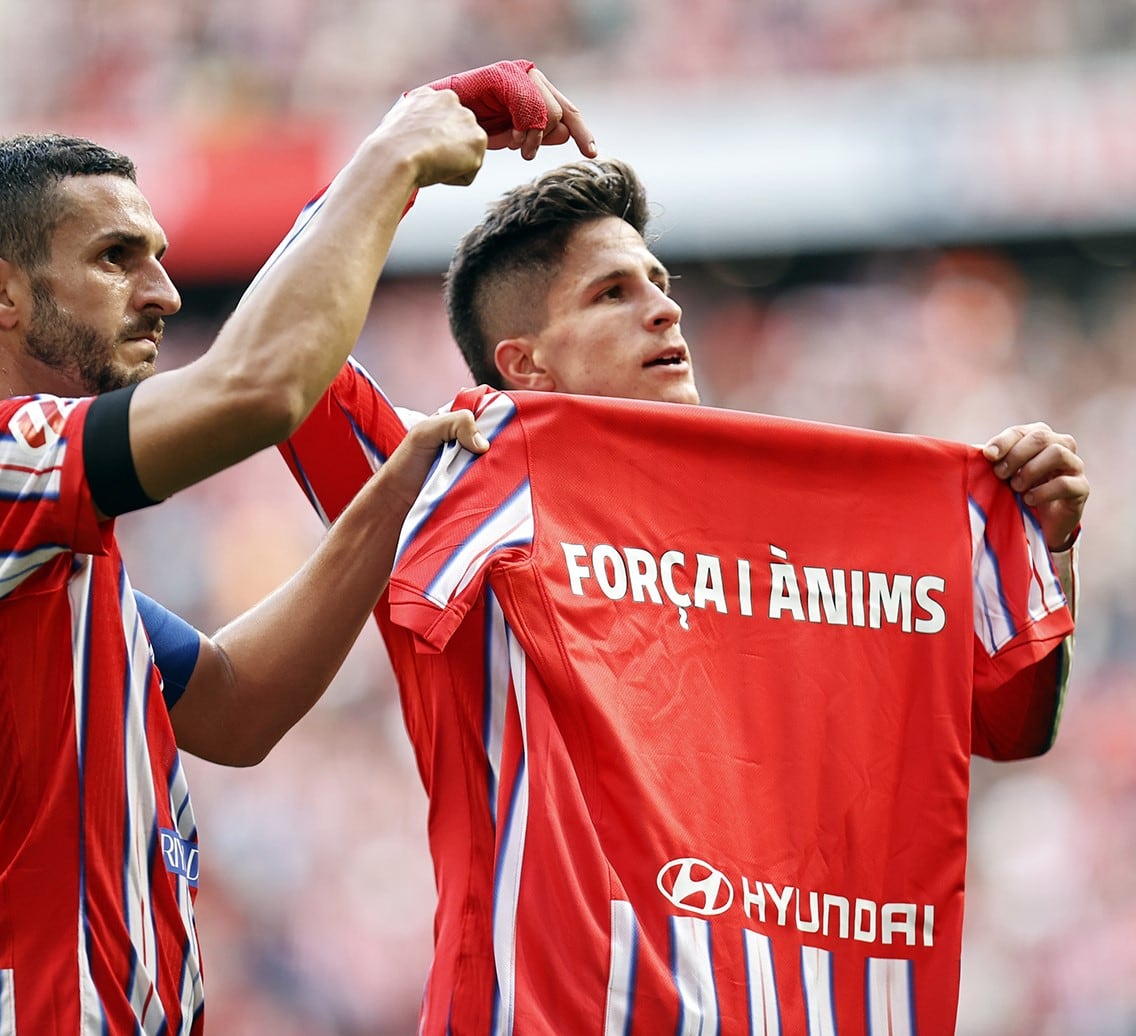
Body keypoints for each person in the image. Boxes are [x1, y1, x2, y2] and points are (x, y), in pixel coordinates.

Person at [266, 140, 1088, 1029]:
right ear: (525, 364)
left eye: (660, 283)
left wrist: (1046, 551)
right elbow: (284, 354)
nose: (664, 310)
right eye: (612, 293)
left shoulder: (807, 534)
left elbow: (1011, 725)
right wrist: (406, 148)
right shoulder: (453, 486)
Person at [0, 62, 594, 1035]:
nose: (163, 293)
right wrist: (393, 157)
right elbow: (261, 387)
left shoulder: (36, 547)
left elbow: (239, 706)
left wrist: (394, 493)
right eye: (118, 257)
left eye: (160, 256)